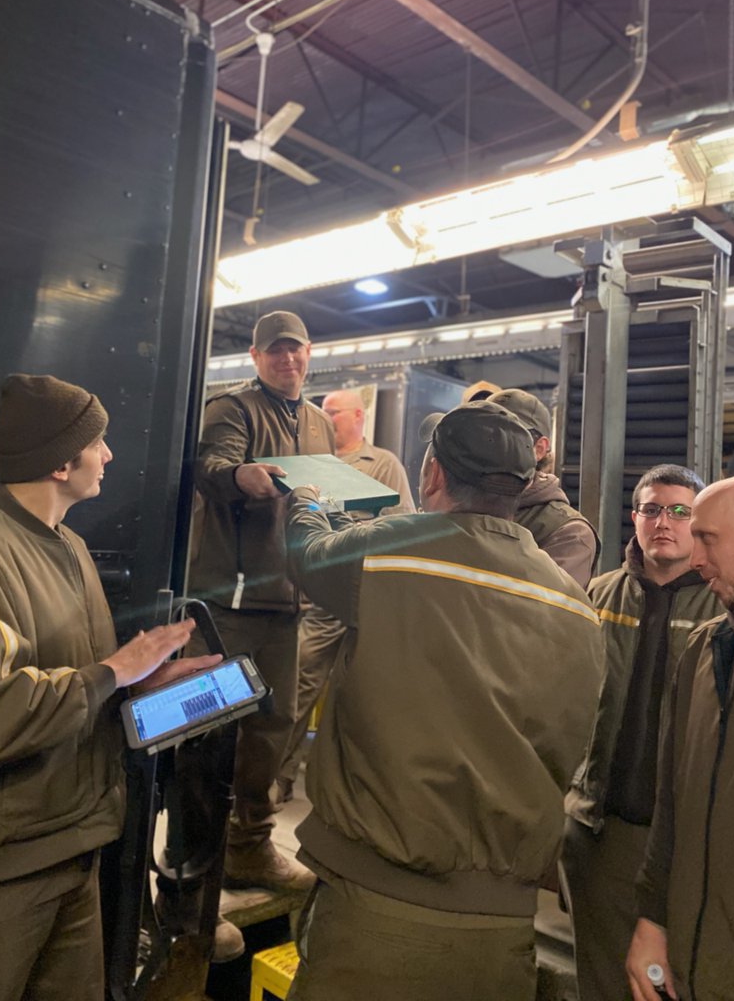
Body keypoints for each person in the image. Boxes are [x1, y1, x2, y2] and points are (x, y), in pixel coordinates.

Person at [0, 373, 220, 1001]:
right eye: (99, 443)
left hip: (69, 853)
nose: (110, 456)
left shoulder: (72, 550)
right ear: (63, 461)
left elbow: (73, 691)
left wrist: (142, 688)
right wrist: (115, 671)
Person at [283, 401, 604, 1001]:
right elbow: (571, 744)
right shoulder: (575, 603)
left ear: (431, 475)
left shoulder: (391, 551)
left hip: (376, 912)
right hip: (504, 925)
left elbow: (306, 553)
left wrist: (305, 495)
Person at [182, 310, 334, 896]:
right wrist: (240, 474)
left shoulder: (319, 423)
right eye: (274, 351)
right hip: (230, 603)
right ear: (255, 356)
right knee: (208, 729)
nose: (286, 359)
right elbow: (211, 468)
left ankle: (249, 846)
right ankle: (191, 868)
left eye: (294, 349)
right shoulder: (233, 409)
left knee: (274, 726)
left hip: (289, 601)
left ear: (308, 351)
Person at [561, 464, 721, 1001]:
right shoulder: (596, 596)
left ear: (698, 524)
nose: (664, 522)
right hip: (600, 829)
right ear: (635, 517)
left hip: (683, 838)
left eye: (680, 511)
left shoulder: (724, 608)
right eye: (652, 509)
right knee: (602, 976)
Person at [626, 473, 734, 1001]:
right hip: (692, 965)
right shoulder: (703, 650)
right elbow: (672, 801)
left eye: (708, 538)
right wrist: (653, 921)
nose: (695, 558)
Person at [275, 389, 415, 801]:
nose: (326, 418)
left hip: (365, 592)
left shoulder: (383, 464)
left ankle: (358, 790)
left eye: (334, 412)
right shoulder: (314, 463)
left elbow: (401, 525)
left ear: (358, 416)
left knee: (365, 693)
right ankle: (277, 777)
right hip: (314, 594)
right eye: (324, 411)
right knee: (297, 684)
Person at [487, 387, 599, 587]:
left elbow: (540, 612)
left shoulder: (569, 533)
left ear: (538, 449)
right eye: (484, 433)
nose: (488, 444)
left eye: (505, 434)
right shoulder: (459, 500)